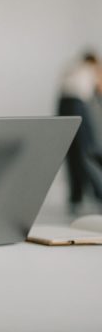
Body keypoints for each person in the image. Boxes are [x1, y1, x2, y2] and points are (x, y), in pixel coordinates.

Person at [58, 52, 102, 213]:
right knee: (88, 152)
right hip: (77, 105)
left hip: (63, 105)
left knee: (72, 153)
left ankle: (76, 196)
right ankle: (99, 194)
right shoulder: (92, 68)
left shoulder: (71, 67)